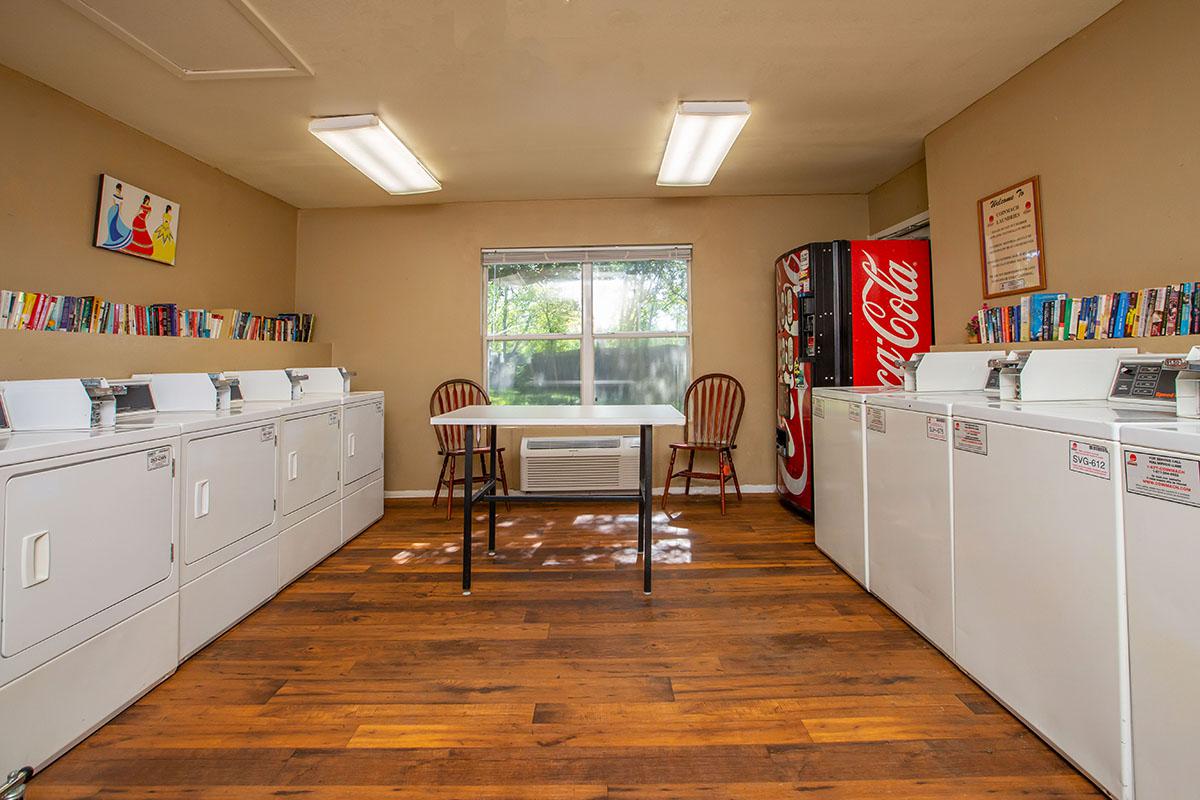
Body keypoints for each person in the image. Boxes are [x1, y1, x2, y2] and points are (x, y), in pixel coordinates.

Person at [99, 182, 133, 250]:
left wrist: (120, 211)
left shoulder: (121, 197)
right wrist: (115, 208)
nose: (117, 190)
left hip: (116, 209)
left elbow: (121, 205)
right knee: (110, 223)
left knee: (116, 223)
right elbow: (113, 202)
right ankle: (112, 236)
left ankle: (115, 236)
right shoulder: (114, 195)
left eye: (118, 189)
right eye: (117, 189)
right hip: (112, 209)